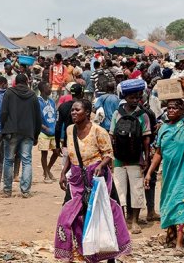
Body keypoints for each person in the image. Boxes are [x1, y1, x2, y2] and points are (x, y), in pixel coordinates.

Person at [55, 99, 131, 263]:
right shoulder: (70, 130)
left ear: (88, 112)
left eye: (77, 110)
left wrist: (101, 166)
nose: (73, 113)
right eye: (72, 110)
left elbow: (108, 154)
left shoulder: (98, 131)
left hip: (96, 177)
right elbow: (71, 154)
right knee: (68, 215)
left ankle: (111, 254)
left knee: (106, 214)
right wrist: (63, 173)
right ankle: (77, 252)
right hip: (76, 178)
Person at [144, 77, 184, 250]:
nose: (170, 111)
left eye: (175, 108)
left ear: (182, 110)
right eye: (168, 108)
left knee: (180, 203)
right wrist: (149, 172)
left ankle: (179, 243)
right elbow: (158, 153)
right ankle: (176, 238)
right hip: (168, 175)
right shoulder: (163, 129)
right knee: (168, 203)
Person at [110, 85, 151, 234]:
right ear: (125, 98)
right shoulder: (117, 114)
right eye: (131, 98)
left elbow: (146, 139)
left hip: (136, 158)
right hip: (119, 158)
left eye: (137, 98)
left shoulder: (143, 115)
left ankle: (134, 220)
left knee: (136, 190)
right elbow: (111, 136)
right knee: (119, 189)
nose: (134, 100)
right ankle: (123, 220)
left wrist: (146, 158)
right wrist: (110, 156)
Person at [0, 74, 42, 198]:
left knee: (8, 160)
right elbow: (38, 118)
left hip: (11, 131)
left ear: (15, 82)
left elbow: (3, 113)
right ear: (27, 82)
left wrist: (4, 128)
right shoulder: (33, 95)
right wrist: (36, 134)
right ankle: (25, 190)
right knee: (26, 160)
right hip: (28, 132)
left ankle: (7, 190)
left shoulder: (9, 93)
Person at [37, 81, 60, 183]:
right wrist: (44, 127)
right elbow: (36, 117)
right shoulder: (38, 101)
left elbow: (55, 115)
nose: (50, 89)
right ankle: (46, 175)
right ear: (42, 89)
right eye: (48, 87)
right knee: (44, 154)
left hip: (53, 130)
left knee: (56, 152)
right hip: (43, 131)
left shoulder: (51, 101)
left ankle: (48, 169)